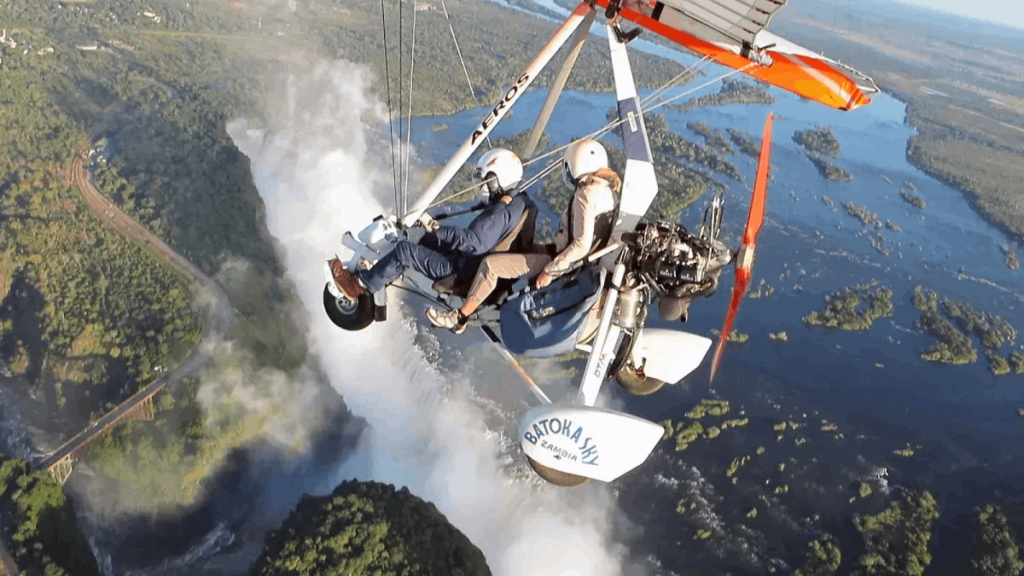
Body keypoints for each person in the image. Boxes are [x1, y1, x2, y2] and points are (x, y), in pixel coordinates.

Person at [425, 138, 620, 333]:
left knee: (490, 265)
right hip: (564, 257)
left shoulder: (585, 194)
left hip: (560, 262)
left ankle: (459, 318)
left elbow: (581, 245)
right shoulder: (605, 191)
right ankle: (491, 291)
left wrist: (549, 271)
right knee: (517, 249)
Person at [329, 148, 533, 309]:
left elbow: (474, 242)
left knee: (405, 251)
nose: (483, 186)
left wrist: (437, 228)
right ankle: (384, 270)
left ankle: (358, 285)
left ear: (499, 180)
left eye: (487, 181)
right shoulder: (516, 202)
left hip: (461, 271)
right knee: (424, 239)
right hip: (470, 263)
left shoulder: (501, 213)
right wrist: (433, 232)